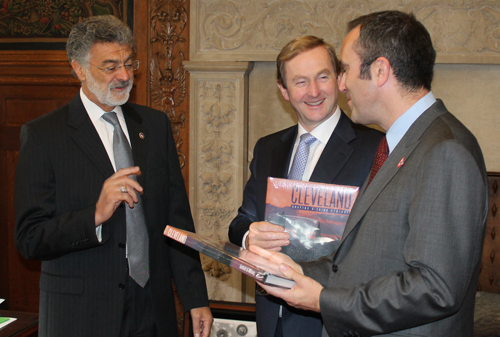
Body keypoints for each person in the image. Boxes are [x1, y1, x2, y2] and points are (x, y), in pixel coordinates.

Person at [250, 10, 488, 337]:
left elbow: (436, 287)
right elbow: (366, 257)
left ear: (379, 71)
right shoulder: (397, 146)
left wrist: (324, 301)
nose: (340, 83)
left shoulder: (444, 149)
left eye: (344, 70)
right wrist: (295, 270)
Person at [14, 15, 212, 337]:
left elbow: (176, 219)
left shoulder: (154, 125)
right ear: (78, 68)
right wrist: (95, 214)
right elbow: (29, 238)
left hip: (153, 307)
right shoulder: (44, 136)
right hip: (82, 315)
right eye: (110, 67)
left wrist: (195, 298)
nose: (124, 75)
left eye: (128, 63)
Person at [228, 36, 384, 337]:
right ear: (283, 90)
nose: (314, 92)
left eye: (322, 77)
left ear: (339, 79)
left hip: (331, 323)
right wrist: (250, 236)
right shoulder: (268, 148)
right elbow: (240, 223)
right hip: (272, 319)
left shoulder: (375, 148)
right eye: (300, 82)